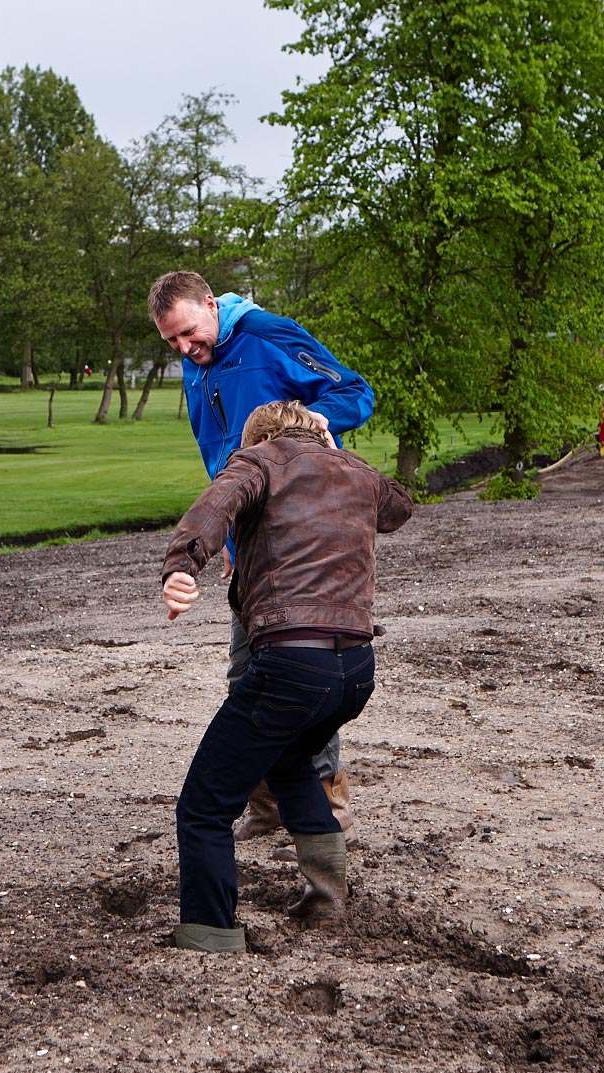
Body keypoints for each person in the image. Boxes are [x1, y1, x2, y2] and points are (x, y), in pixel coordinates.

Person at [161, 400, 413, 952]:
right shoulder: (356, 472)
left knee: (204, 805)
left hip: (292, 664)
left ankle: (209, 935)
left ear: (258, 439)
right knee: (290, 763)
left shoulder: (259, 461)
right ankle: (325, 900)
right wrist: (336, 452)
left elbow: (214, 508)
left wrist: (181, 567)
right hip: (355, 671)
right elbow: (399, 507)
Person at [148, 270, 375, 844]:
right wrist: (230, 538)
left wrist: (321, 420)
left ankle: (327, 805)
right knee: (248, 676)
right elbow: (224, 461)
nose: (184, 348)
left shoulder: (267, 335)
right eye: (172, 341)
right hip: (249, 542)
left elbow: (355, 391)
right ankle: (271, 802)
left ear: (210, 304)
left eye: (190, 333)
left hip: (303, 537)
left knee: (301, 665)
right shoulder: (197, 363)